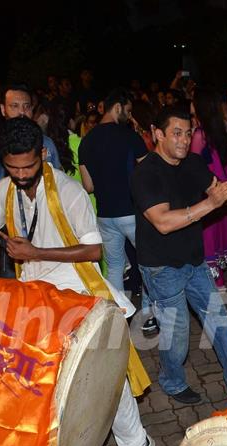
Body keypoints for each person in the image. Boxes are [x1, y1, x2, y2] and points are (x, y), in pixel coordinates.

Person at [0, 117, 155, 446]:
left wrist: (36, 252)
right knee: (41, 381)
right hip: (33, 300)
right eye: (12, 167)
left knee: (104, 374)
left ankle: (137, 445)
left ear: (42, 154)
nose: (22, 173)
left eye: (28, 165)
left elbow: (93, 250)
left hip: (77, 295)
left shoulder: (69, 190)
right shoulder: (3, 191)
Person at [131, 107, 227, 404]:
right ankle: (171, 379)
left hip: (194, 260)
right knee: (177, 334)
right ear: (157, 133)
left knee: (217, 319)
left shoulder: (192, 163)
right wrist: (211, 204)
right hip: (161, 267)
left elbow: (217, 192)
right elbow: (164, 222)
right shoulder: (145, 173)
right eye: (176, 133)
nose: (183, 139)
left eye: (188, 133)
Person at [79, 89, 159, 336]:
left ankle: (117, 318)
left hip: (105, 214)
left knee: (113, 268)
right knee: (148, 263)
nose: (129, 114)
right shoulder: (129, 136)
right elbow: (148, 173)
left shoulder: (86, 141)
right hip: (131, 212)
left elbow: (88, 186)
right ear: (117, 108)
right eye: (128, 110)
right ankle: (149, 318)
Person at [191, 89, 227, 291]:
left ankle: (218, 282)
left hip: (209, 190)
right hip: (223, 186)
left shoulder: (200, 134)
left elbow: (194, 165)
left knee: (209, 236)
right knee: (223, 231)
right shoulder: (218, 130)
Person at [0, 84, 61, 204]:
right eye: (14, 106)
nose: (22, 112)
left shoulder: (46, 142)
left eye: (27, 106)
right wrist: (26, 193)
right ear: (3, 110)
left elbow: (59, 182)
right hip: (8, 218)